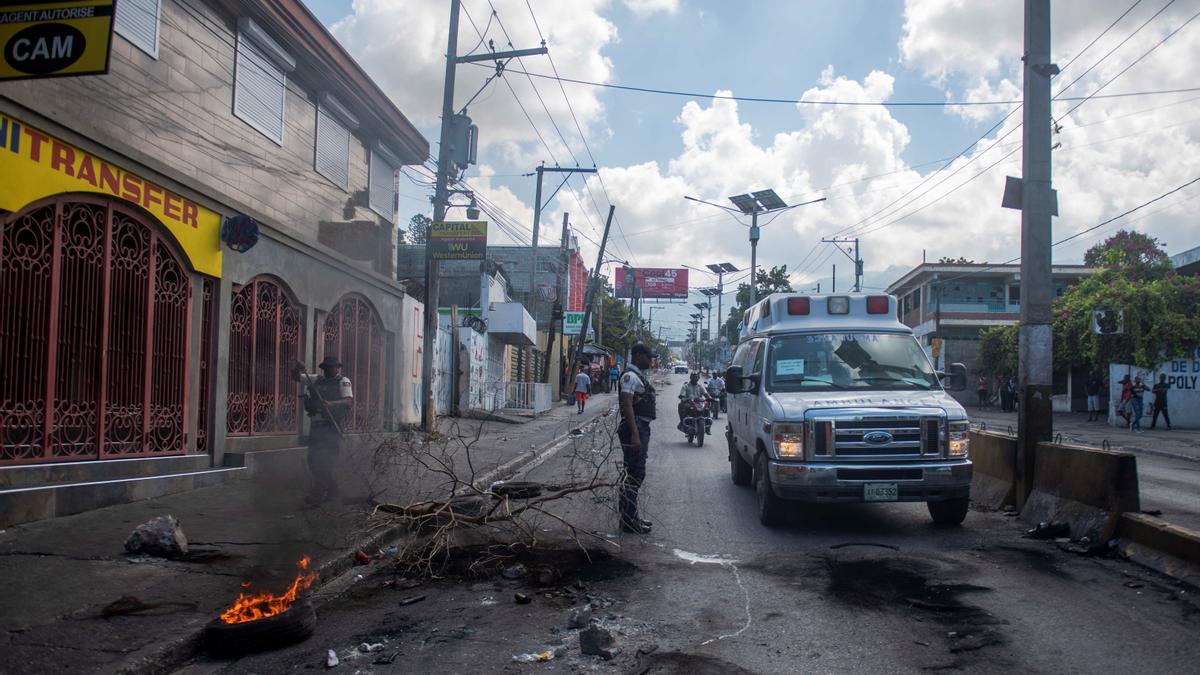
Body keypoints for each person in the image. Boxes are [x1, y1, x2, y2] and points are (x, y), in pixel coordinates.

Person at [291, 356, 353, 506]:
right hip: (316, 427)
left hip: (331, 426)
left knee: (325, 462)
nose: (327, 370)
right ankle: (334, 491)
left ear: (337, 368)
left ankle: (316, 497)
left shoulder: (343, 381)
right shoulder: (316, 379)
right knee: (313, 462)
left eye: (331, 367)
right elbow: (295, 377)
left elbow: (348, 401)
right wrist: (297, 368)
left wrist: (331, 404)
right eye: (325, 368)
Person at [618, 343, 657, 534]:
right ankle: (628, 520)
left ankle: (630, 517)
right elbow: (626, 405)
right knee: (633, 474)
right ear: (638, 355)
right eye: (649, 357)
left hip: (640, 428)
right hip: (635, 428)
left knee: (634, 473)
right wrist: (635, 434)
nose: (651, 361)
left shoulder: (638, 376)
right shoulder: (629, 376)